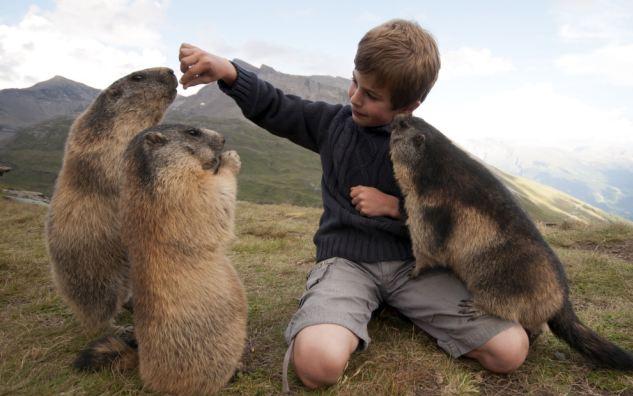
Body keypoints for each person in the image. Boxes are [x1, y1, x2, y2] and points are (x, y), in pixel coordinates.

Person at [178, 19, 529, 390]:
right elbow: (277, 107)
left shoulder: (430, 150)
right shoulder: (333, 124)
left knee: (509, 350)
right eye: (355, 82)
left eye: (372, 95)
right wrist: (230, 73)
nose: (355, 98)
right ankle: (351, 307)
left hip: (414, 268)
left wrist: (397, 208)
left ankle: (392, 305)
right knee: (317, 366)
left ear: (410, 105)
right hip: (346, 264)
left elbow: (458, 221)